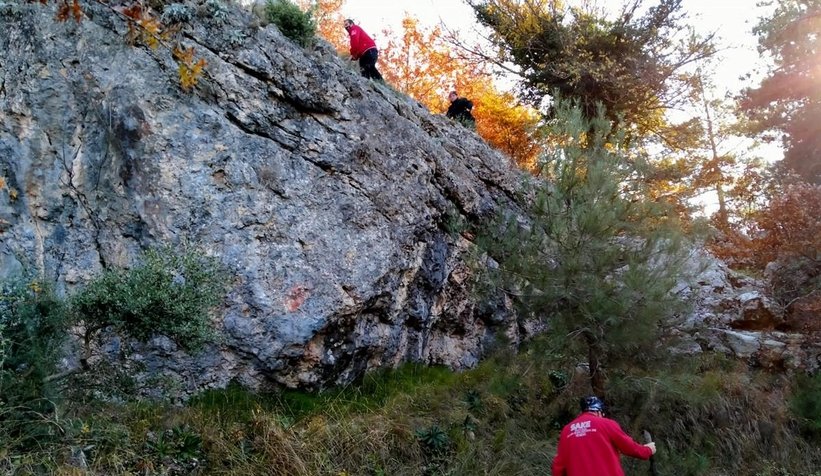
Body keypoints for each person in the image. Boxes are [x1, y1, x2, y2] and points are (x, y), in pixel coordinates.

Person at [551, 396, 656, 476]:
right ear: (598, 411)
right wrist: (648, 450)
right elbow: (630, 447)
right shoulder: (607, 424)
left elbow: (558, 467)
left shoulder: (567, 430)